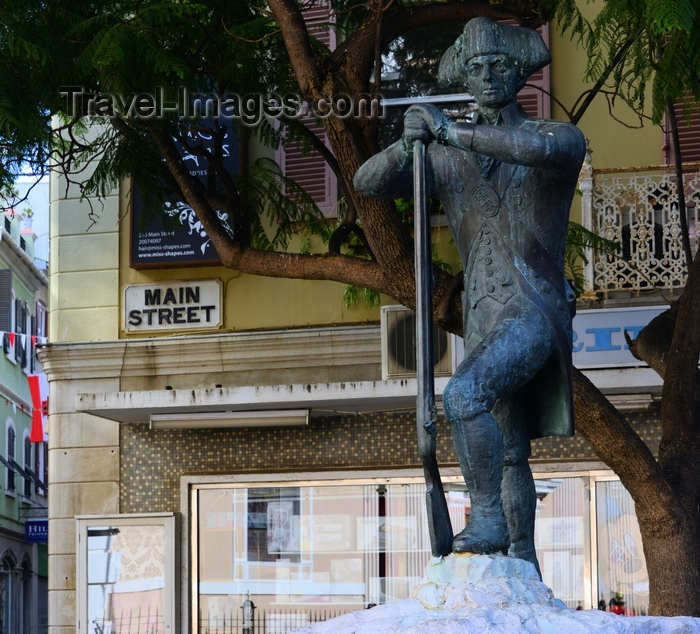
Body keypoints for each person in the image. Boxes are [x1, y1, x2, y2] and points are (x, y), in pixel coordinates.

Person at [353, 17, 585, 573]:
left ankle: (485, 518)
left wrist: (451, 131)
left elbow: (526, 152)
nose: (486, 76)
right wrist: (406, 142)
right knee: (509, 452)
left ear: (519, 74)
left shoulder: (554, 139)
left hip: (533, 308)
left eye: (498, 66)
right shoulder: (447, 156)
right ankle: (521, 560)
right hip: (483, 316)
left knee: (462, 398)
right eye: (475, 68)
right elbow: (366, 182)